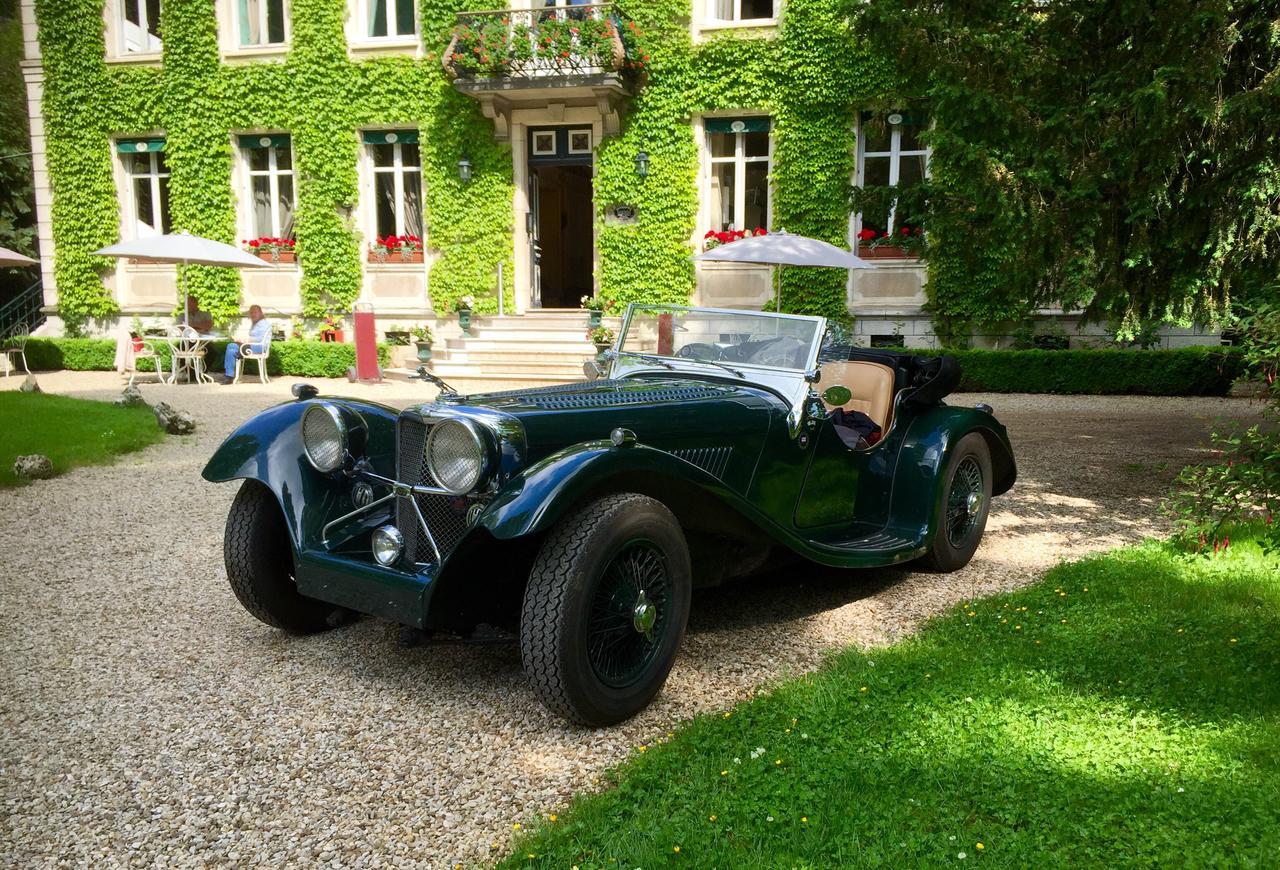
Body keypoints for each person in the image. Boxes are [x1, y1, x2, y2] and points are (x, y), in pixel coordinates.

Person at [221, 305, 271, 385]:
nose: (253, 314)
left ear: (261, 313)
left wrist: (245, 340)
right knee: (231, 347)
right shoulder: (256, 323)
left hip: (259, 347)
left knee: (232, 347)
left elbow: (260, 338)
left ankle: (229, 376)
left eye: (255, 312)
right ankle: (229, 375)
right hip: (252, 346)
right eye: (251, 313)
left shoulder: (263, 323)